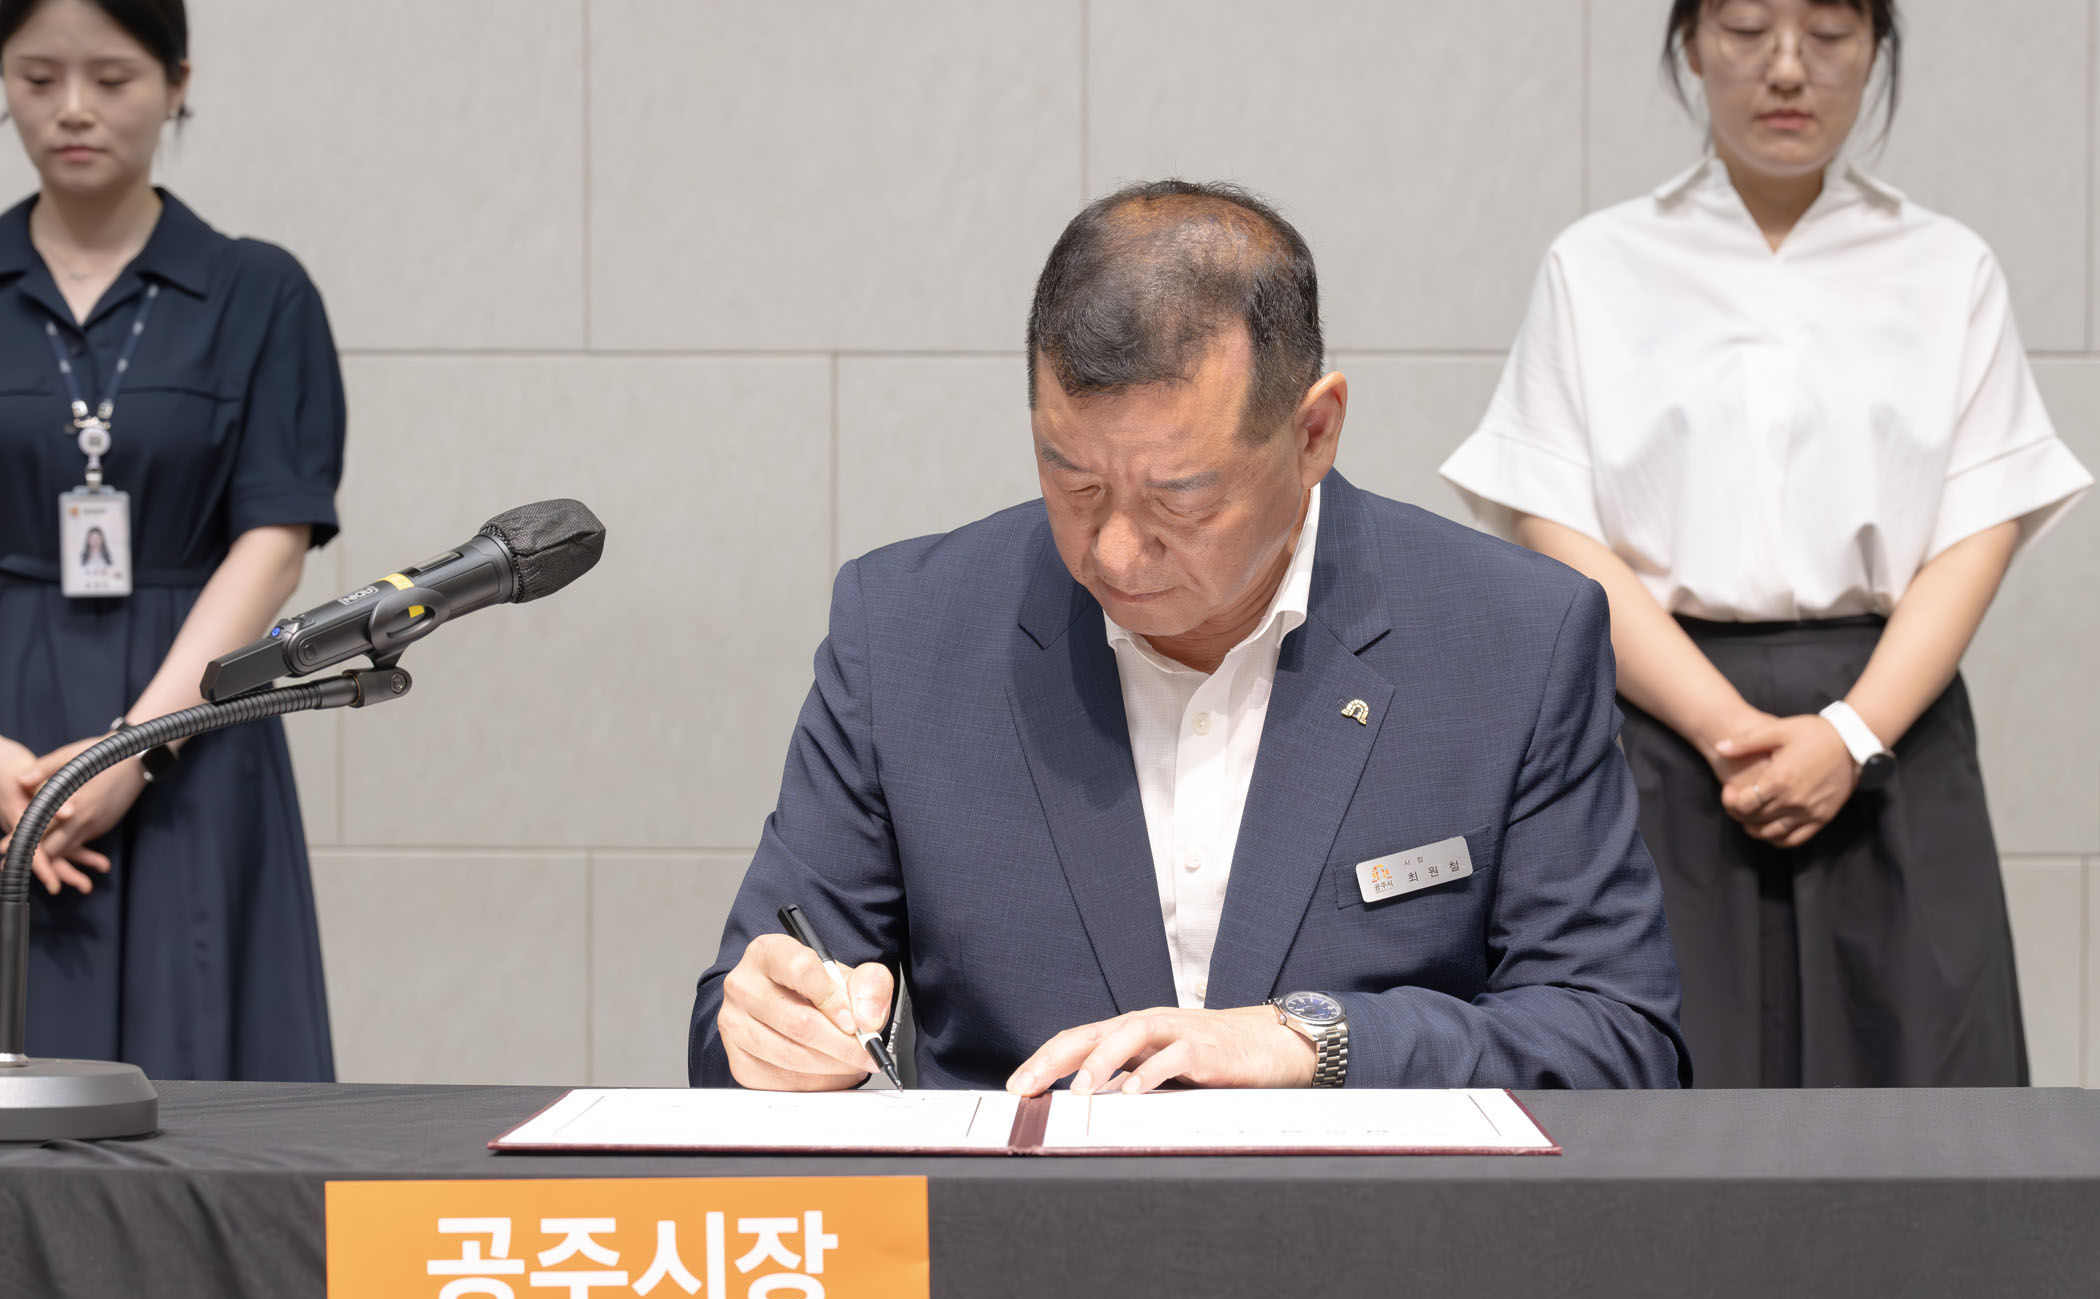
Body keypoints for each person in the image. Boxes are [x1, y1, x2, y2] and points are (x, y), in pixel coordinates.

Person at [690, 181, 1688, 1094]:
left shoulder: (1511, 637)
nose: (1116, 551)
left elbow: (1619, 1040)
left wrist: (1316, 1041)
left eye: (1182, 497)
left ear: (1313, 432)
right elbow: (735, 1018)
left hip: (1363, 1223)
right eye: (1075, 482)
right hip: (1015, 1218)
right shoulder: (908, 631)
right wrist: (773, 1030)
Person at [1439, 0, 2091, 1088]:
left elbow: (1982, 525)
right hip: (1661, 725)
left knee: (1922, 1101)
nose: (1788, 69)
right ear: (1692, 43)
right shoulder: (1597, 264)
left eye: (1828, 35)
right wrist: (1728, 729)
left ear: (1875, 47)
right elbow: (1553, 521)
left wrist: (1849, 733)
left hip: (1889, 731)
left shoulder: (1949, 266)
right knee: (1668, 1095)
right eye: (1747, 29)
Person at [0, 0, 343, 1079]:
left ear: (176, 83)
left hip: (192, 728)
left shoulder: (261, 291)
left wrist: (135, 749)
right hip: (4, 738)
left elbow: (273, 542)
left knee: (202, 1087)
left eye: (111, 78)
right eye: (37, 77)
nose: (73, 109)